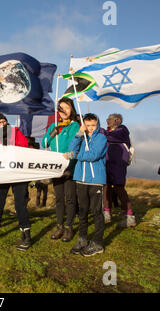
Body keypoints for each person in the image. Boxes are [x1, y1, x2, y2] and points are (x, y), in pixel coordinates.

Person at [0, 112, 32, 251]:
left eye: (3, 121)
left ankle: (26, 235)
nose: (1, 124)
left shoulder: (16, 132)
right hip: (1, 174)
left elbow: (25, 147)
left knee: (19, 203)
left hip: (18, 173)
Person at [65, 113, 107, 257]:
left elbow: (93, 155)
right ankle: (82, 239)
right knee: (82, 212)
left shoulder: (101, 138)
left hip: (95, 180)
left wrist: (75, 156)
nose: (90, 128)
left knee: (96, 212)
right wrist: (78, 134)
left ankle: (97, 243)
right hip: (80, 179)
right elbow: (71, 148)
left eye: (93, 125)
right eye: (87, 125)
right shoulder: (82, 137)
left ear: (98, 125)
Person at [42, 97, 80, 242]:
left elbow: (73, 144)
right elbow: (44, 143)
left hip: (69, 168)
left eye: (67, 108)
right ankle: (60, 227)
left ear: (71, 110)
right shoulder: (54, 126)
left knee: (70, 198)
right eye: (61, 107)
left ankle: (69, 227)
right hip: (56, 169)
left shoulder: (75, 126)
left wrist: (69, 163)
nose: (64, 110)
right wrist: (53, 133)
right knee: (59, 198)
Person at [103, 113, 135, 227]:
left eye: (109, 119)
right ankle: (106, 213)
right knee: (106, 187)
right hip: (107, 163)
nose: (107, 121)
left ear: (117, 120)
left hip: (118, 163)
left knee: (119, 187)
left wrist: (99, 130)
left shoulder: (122, 130)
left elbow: (113, 136)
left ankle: (129, 217)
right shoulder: (108, 132)